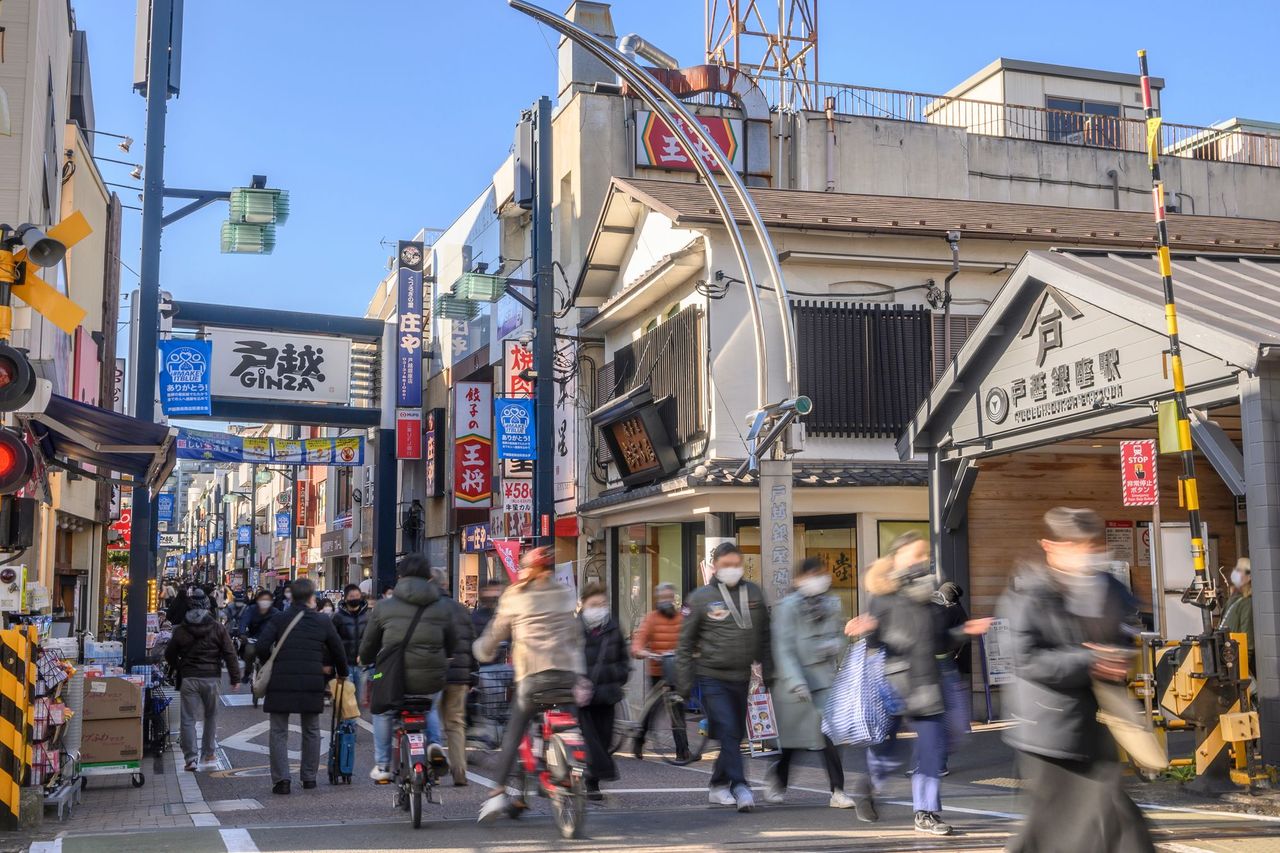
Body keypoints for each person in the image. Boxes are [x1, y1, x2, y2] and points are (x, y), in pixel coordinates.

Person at [999, 507, 1153, 853]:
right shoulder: (1029, 593)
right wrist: (1091, 659)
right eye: (1074, 545)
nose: (1084, 553)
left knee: (1106, 826)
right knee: (1070, 827)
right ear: (1049, 546)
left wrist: (1120, 653)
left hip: (1098, 726)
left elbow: (1130, 627)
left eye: (1089, 545)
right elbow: (1026, 658)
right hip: (1050, 731)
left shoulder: (1110, 587)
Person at [847, 531, 990, 837]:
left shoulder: (928, 596)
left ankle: (925, 812)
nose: (922, 560)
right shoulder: (883, 596)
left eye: (924, 555)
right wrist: (869, 629)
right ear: (897, 557)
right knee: (890, 750)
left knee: (931, 749)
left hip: (929, 683)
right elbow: (876, 643)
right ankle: (869, 785)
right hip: (896, 684)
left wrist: (964, 631)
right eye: (916, 554)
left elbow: (939, 640)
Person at [474, 546, 585, 822]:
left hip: (533, 676)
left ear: (527, 570)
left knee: (515, 729)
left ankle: (497, 792)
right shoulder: (564, 593)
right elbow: (575, 634)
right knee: (569, 719)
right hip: (567, 675)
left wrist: (482, 651)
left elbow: (495, 633)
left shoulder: (516, 595)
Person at [767, 558, 872, 817]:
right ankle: (778, 779)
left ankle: (838, 790)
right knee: (794, 741)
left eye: (822, 574)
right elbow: (783, 647)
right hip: (796, 682)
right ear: (799, 579)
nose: (820, 579)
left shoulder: (831, 603)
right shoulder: (787, 607)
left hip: (824, 680)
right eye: (814, 574)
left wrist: (836, 645)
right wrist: (795, 681)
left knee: (829, 735)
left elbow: (839, 635)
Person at [675, 542, 772, 813]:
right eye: (726, 565)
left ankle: (718, 785)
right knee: (729, 729)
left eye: (736, 564)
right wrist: (683, 685)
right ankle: (740, 786)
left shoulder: (753, 593)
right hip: (711, 676)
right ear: (715, 567)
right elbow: (684, 644)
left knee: (734, 734)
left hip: (742, 677)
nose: (732, 569)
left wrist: (770, 672)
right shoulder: (700, 598)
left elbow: (765, 635)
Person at [359, 555, 456, 783]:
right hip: (431, 678)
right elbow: (451, 644)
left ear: (400, 577)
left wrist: (365, 659)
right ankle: (434, 745)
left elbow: (369, 645)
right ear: (429, 577)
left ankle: (383, 764)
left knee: (382, 712)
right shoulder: (442, 607)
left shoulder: (384, 607)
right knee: (430, 706)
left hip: (394, 679)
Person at [256, 578, 348, 795]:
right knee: (311, 729)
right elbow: (338, 649)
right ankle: (309, 777)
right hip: (311, 680)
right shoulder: (322, 621)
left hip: (281, 680)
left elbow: (261, 646)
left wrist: (273, 661)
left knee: (278, 731)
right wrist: (342, 672)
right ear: (310, 597)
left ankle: (282, 780)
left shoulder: (279, 618)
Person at [165, 588, 241, 771]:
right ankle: (209, 753)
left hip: (189, 677)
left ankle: (190, 759)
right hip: (211, 677)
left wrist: (180, 666)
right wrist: (235, 677)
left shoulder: (181, 629)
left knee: (188, 718)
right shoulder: (217, 627)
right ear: (207, 606)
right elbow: (230, 653)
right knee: (210, 716)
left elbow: (169, 654)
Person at [578, 582, 629, 800]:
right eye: (594, 604)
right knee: (591, 741)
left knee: (604, 739)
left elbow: (623, 657)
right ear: (583, 605)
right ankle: (595, 778)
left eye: (602, 604)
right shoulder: (574, 628)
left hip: (608, 695)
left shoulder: (613, 628)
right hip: (583, 697)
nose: (599, 608)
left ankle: (593, 779)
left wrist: (618, 677)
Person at [629, 582, 687, 761]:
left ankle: (683, 751)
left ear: (674, 598)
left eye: (669, 597)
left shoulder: (681, 618)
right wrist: (642, 651)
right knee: (652, 709)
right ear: (658, 599)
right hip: (657, 672)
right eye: (663, 597)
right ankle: (639, 740)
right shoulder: (651, 618)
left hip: (676, 671)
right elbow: (638, 641)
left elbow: (689, 640)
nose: (666, 600)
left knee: (677, 710)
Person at [430, 567, 476, 787]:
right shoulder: (461, 609)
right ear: (446, 585)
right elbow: (471, 642)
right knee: (456, 723)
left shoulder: (427, 608)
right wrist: (472, 675)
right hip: (460, 675)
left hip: (433, 672)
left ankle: (433, 772)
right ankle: (460, 771)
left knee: (430, 720)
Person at [332, 584, 372, 706]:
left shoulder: (368, 616)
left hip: (362, 664)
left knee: (358, 699)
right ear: (345, 598)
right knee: (346, 700)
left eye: (357, 596)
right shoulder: (337, 617)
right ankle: (346, 718)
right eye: (351, 596)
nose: (355, 598)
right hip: (344, 664)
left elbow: (370, 639)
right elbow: (332, 640)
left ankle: (354, 718)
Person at [1221, 557, 1254, 672]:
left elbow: (1247, 642)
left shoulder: (1247, 603)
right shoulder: (1234, 599)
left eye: (1239, 570)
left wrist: (1241, 670)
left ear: (1249, 577)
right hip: (1227, 659)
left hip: (1235, 665)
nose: (1235, 572)